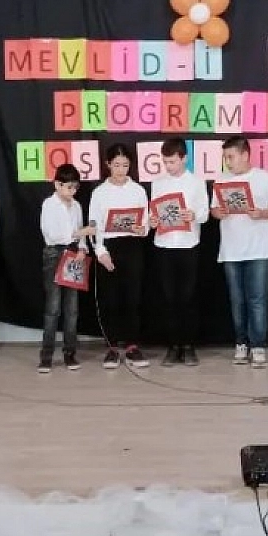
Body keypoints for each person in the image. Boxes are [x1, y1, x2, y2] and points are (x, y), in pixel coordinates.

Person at [211, 135, 268, 369]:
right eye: (225, 158)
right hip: (231, 250)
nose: (228, 162)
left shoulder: (264, 178)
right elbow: (214, 210)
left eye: (231, 157)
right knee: (237, 301)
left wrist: (261, 213)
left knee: (257, 300)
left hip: (259, 249)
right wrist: (219, 213)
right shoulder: (221, 179)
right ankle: (241, 343)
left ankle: (258, 345)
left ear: (245, 155)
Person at [89, 143, 151, 370]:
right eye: (116, 165)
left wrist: (142, 229)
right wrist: (100, 252)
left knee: (133, 298)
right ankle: (112, 347)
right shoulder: (99, 193)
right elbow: (94, 225)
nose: (121, 170)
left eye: (125, 165)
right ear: (108, 165)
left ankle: (133, 346)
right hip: (109, 248)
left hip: (132, 246)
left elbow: (145, 222)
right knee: (110, 299)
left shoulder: (138, 190)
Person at [149, 137, 209, 366]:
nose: (169, 166)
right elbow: (153, 212)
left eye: (172, 162)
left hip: (188, 244)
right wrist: (153, 220)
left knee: (188, 297)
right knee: (168, 298)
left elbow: (204, 213)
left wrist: (193, 215)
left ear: (184, 158)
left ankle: (189, 345)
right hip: (164, 244)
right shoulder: (158, 183)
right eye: (165, 162)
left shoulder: (197, 182)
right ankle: (173, 346)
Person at [38, 163, 93, 372]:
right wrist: (77, 234)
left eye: (75, 187)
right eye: (69, 187)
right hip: (54, 254)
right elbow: (51, 234)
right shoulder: (49, 204)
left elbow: (81, 233)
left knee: (72, 308)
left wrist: (82, 248)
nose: (73, 191)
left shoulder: (77, 206)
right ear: (57, 185)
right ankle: (46, 355)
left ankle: (70, 353)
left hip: (73, 254)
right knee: (53, 308)